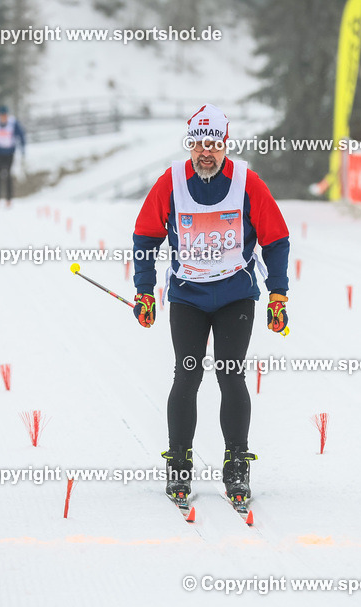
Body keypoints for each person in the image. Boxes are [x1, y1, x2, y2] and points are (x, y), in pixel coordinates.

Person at [131, 103, 291, 504]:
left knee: (230, 375)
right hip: (188, 295)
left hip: (235, 295)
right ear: (190, 145)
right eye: (199, 143)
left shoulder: (247, 182)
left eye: (214, 143)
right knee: (187, 375)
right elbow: (145, 236)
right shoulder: (171, 182)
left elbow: (276, 238)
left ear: (225, 144)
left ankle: (237, 467)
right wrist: (145, 290)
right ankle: (179, 467)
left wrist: (278, 294)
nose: (206, 151)